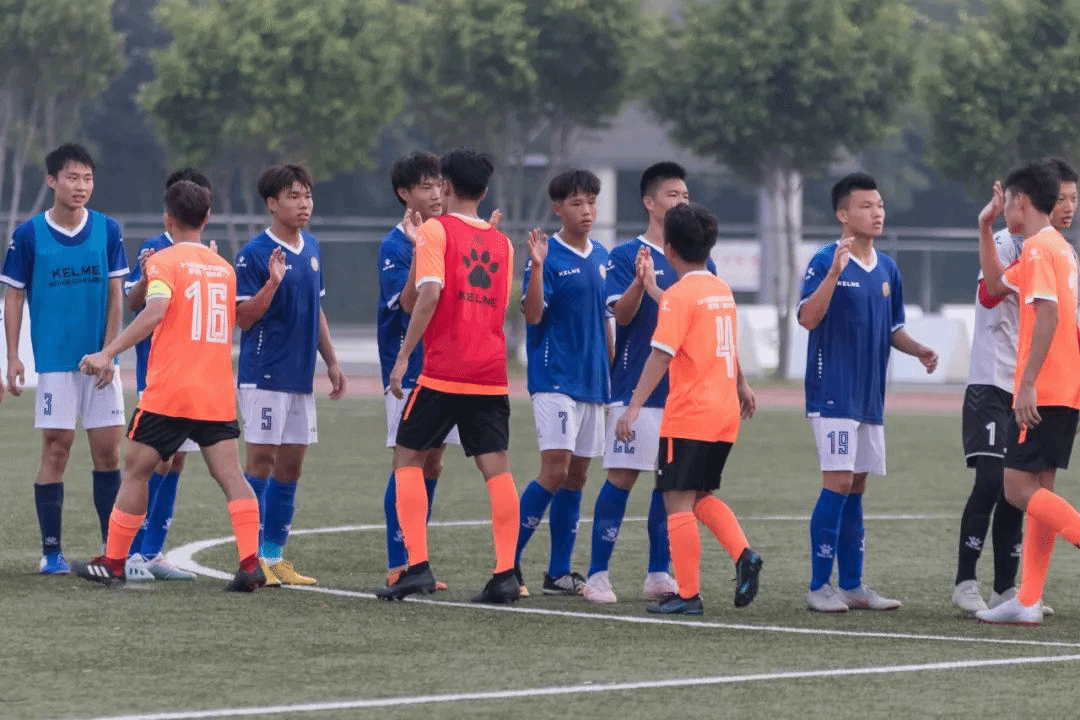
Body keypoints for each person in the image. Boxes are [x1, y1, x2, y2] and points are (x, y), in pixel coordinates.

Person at [72, 180, 264, 591]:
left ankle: (114, 562)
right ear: (207, 218)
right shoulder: (224, 268)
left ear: (167, 218)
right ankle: (251, 563)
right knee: (231, 475)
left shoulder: (165, 261)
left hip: (172, 392)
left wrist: (108, 352)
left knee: (135, 472)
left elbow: (156, 308)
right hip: (215, 392)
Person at [375, 148, 521, 604]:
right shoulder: (503, 243)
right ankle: (505, 574)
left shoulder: (434, 231)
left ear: (446, 186)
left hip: (443, 371)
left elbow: (427, 295)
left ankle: (415, 566)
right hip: (490, 372)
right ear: (485, 190)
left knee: (407, 459)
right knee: (497, 470)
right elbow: (498, 304)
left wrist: (404, 356)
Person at [799, 172, 938, 613]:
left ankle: (853, 585)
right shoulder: (825, 260)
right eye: (866, 206)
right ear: (843, 214)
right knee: (838, 480)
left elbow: (894, 327)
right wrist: (833, 275)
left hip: (870, 396)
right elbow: (808, 318)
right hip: (833, 392)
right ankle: (819, 586)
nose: (877, 213)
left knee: (857, 484)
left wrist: (918, 349)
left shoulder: (888, 268)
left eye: (879, 205)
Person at [615, 202, 761, 615]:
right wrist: (743, 384)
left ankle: (688, 594)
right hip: (723, 414)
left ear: (669, 249)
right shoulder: (720, 289)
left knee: (676, 501)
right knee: (699, 496)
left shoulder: (680, 296)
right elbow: (707, 331)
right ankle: (744, 554)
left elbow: (660, 355)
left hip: (690, 414)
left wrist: (632, 408)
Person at [584, 161, 713, 604]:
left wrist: (737, 383)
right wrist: (642, 284)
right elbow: (621, 317)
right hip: (635, 387)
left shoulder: (698, 259)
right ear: (649, 202)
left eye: (685, 195)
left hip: (684, 393)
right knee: (621, 477)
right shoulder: (625, 255)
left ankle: (659, 572)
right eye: (673, 195)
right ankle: (598, 574)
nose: (681, 201)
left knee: (670, 482)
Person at [953, 157, 1077, 614]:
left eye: (1005, 204)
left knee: (1015, 489)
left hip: (1042, 388)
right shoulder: (1057, 249)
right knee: (1039, 490)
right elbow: (993, 285)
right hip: (1060, 388)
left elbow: (1049, 315)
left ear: (1021, 201)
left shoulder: (1041, 248)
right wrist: (985, 226)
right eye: (1065, 198)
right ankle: (1026, 598)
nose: (1070, 206)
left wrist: (1026, 385)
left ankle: (1020, 594)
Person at [1, 143, 128, 575]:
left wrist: (109, 352)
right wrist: (13, 355)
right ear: (52, 181)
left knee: (108, 454)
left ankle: (112, 550)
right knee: (56, 450)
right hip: (55, 361)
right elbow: (14, 295)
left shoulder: (108, 230)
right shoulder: (28, 234)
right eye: (72, 177)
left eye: (88, 178)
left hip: (101, 363)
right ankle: (51, 553)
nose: (81, 186)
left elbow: (116, 294)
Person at [235, 164, 346, 587]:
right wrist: (271, 284)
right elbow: (243, 319)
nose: (304, 204)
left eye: (307, 196)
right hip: (264, 375)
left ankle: (274, 556)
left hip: (300, 377)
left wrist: (331, 361)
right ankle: (250, 560)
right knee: (260, 463)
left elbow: (317, 310)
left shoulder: (312, 246)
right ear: (272, 203)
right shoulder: (253, 253)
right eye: (294, 196)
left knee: (291, 467)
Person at [515, 169, 610, 596]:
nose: (586, 210)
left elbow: (606, 323)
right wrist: (536, 268)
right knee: (555, 469)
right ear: (558, 208)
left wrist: (611, 374)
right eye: (576, 203)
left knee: (577, 477)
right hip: (554, 379)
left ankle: (558, 573)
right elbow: (533, 315)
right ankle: (507, 562)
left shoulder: (603, 256)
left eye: (591, 201)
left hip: (593, 383)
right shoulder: (547, 254)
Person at [120, 169, 216, 583]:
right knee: (152, 461)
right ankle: (132, 551)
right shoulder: (154, 248)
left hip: (194, 377)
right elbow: (134, 303)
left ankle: (153, 551)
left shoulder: (207, 254)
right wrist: (144, 277)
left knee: (176, 461)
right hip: (159, 371)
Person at [377, 151, 456, 590]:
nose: (436, 194)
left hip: (445, 369)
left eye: (439, 184)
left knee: (433, 464)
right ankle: (399, 562)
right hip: (408, 373)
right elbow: (408, 304)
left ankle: (417, 558)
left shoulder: (446, 235)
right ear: (404, 193)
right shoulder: (394, 245)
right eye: (426, 186)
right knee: (407, 464)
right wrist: (416, 248)